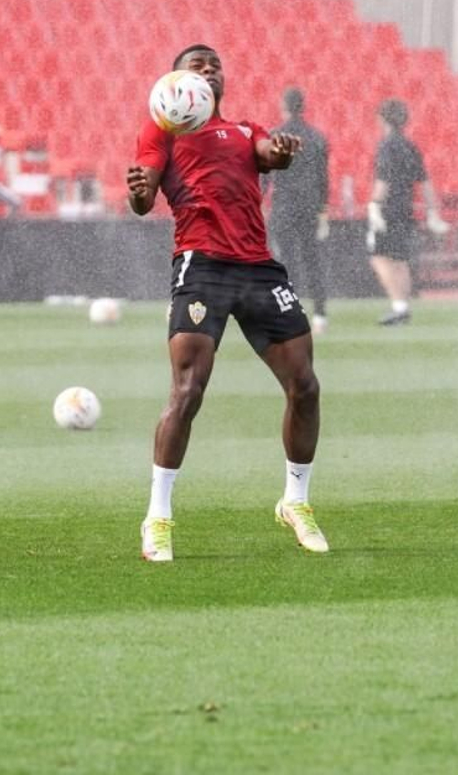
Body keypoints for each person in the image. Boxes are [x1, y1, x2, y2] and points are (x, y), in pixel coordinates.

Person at [126, 44, 326, 563]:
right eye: (197, 64)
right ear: (176, 80)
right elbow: (144, 196)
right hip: (202, 267)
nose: (209, 69)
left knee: (304, 386)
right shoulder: (163, 130)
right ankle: (158, 517)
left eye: (214, 63)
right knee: (188, 390)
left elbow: (267, 156)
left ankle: (296, 501)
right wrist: (140, 189)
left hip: (258, 267)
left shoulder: (245, 130)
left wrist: (278, 153)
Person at [365, 98, 449, 326]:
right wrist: (433, 212)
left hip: (388, 209)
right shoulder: (410, 146)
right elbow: (425, 182)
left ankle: (399, 306)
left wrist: (374, 204)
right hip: (405, 208)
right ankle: (403, 307)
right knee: (400, 259)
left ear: (382, 118)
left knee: (379, 257)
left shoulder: (386, 145)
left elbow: (384, 180)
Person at [267, 86, 331, 335]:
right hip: (309, 206)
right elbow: (323, 178)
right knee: (313, 260)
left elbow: (265, 177)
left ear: (283, 106)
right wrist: (323, 209)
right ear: (303, 107)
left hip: (284, 206)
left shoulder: (274, 136)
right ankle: (321, 315)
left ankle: (288, 313)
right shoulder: (316, 138)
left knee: (284, 262)